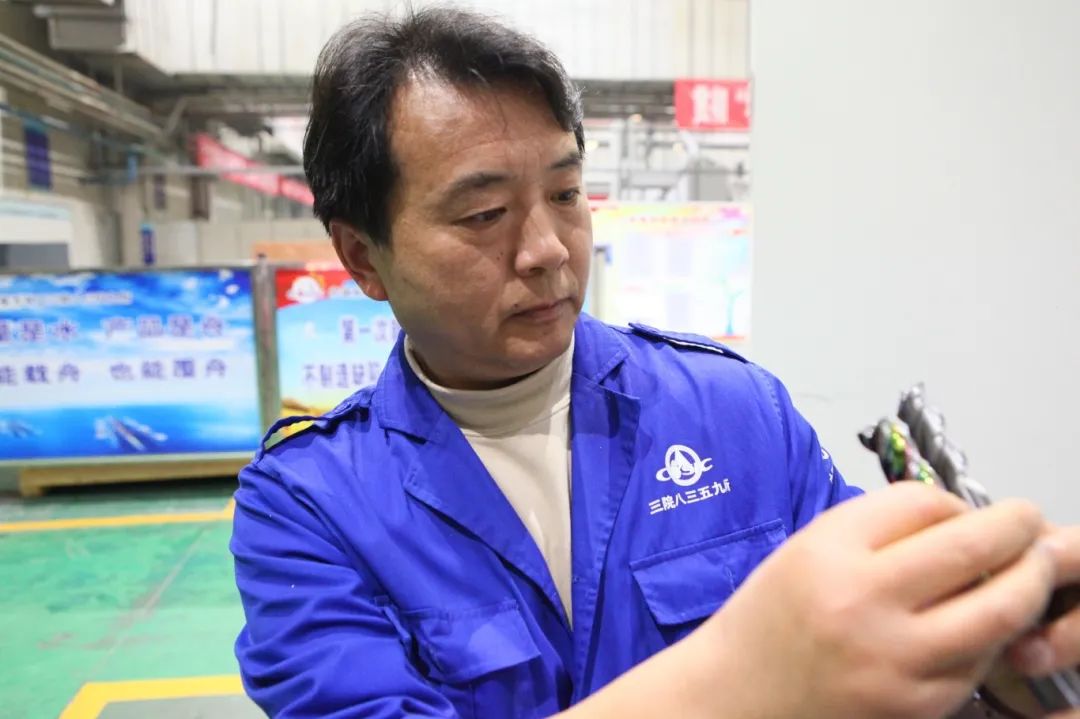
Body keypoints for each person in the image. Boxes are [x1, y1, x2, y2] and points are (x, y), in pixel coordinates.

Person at [231, 8, 1080, 718]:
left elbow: (895, 657)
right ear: (363, 257)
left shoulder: (733, 411)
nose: (547, 249)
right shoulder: (308, 507)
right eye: (485, 214)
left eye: (566, 194)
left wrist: (999, 663)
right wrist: (748, 673)